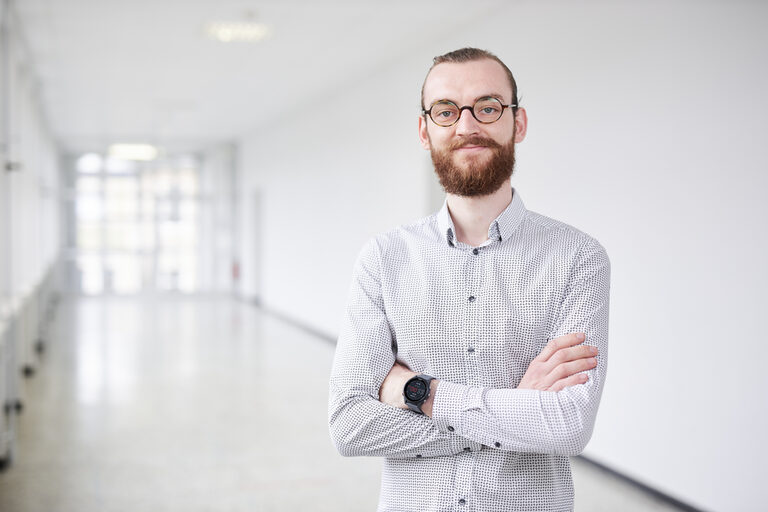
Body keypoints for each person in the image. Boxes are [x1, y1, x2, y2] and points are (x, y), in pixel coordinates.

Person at [328, 47, 610, 512]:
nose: (466, 126)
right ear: (425, 129)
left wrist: (419, 391)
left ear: (517, 123)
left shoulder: (578, 258)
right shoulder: (383, 259)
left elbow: (568, 425)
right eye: (445, 110)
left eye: (487, 107)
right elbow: (351, 425)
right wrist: (514, 411)